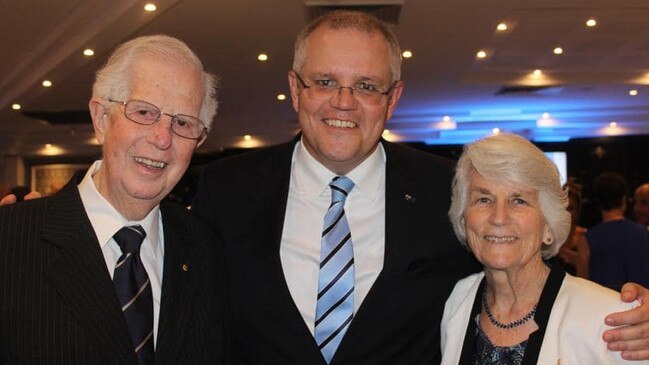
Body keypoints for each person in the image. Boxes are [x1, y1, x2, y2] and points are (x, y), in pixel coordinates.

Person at [192, 10, 649, 364]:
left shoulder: (447, 191)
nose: (344, 102)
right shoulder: (226, 190)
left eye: (367, 86)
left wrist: (629, 314)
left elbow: (514, 272)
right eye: (325, 81)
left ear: (393, 98)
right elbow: (188, 312)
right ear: (295, 89)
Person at [0, 35, 225, 363]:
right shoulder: (11, 242)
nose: (162, 138)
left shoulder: (210, 251)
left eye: (183, 122)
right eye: (144, 111)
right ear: (101, 119)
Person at [441, 133, 648, 364]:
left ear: (549, 225)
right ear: (463, 218)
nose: (499, 218)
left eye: (519, 200)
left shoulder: (612, 318)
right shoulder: (458, 300)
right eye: (483, 199)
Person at [587, 172, 649, 291]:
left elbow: (582, 285)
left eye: (644, 203)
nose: (637, 208)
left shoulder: (589, 238)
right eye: (635, 202)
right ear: (624, 199)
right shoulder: (642, 233)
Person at [557, 182, 590, 278]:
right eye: (563, 208)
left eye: (570, 208)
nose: (566, 213)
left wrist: (578, 262)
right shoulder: (546, 239)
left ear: (577, 211)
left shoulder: (585, 238)